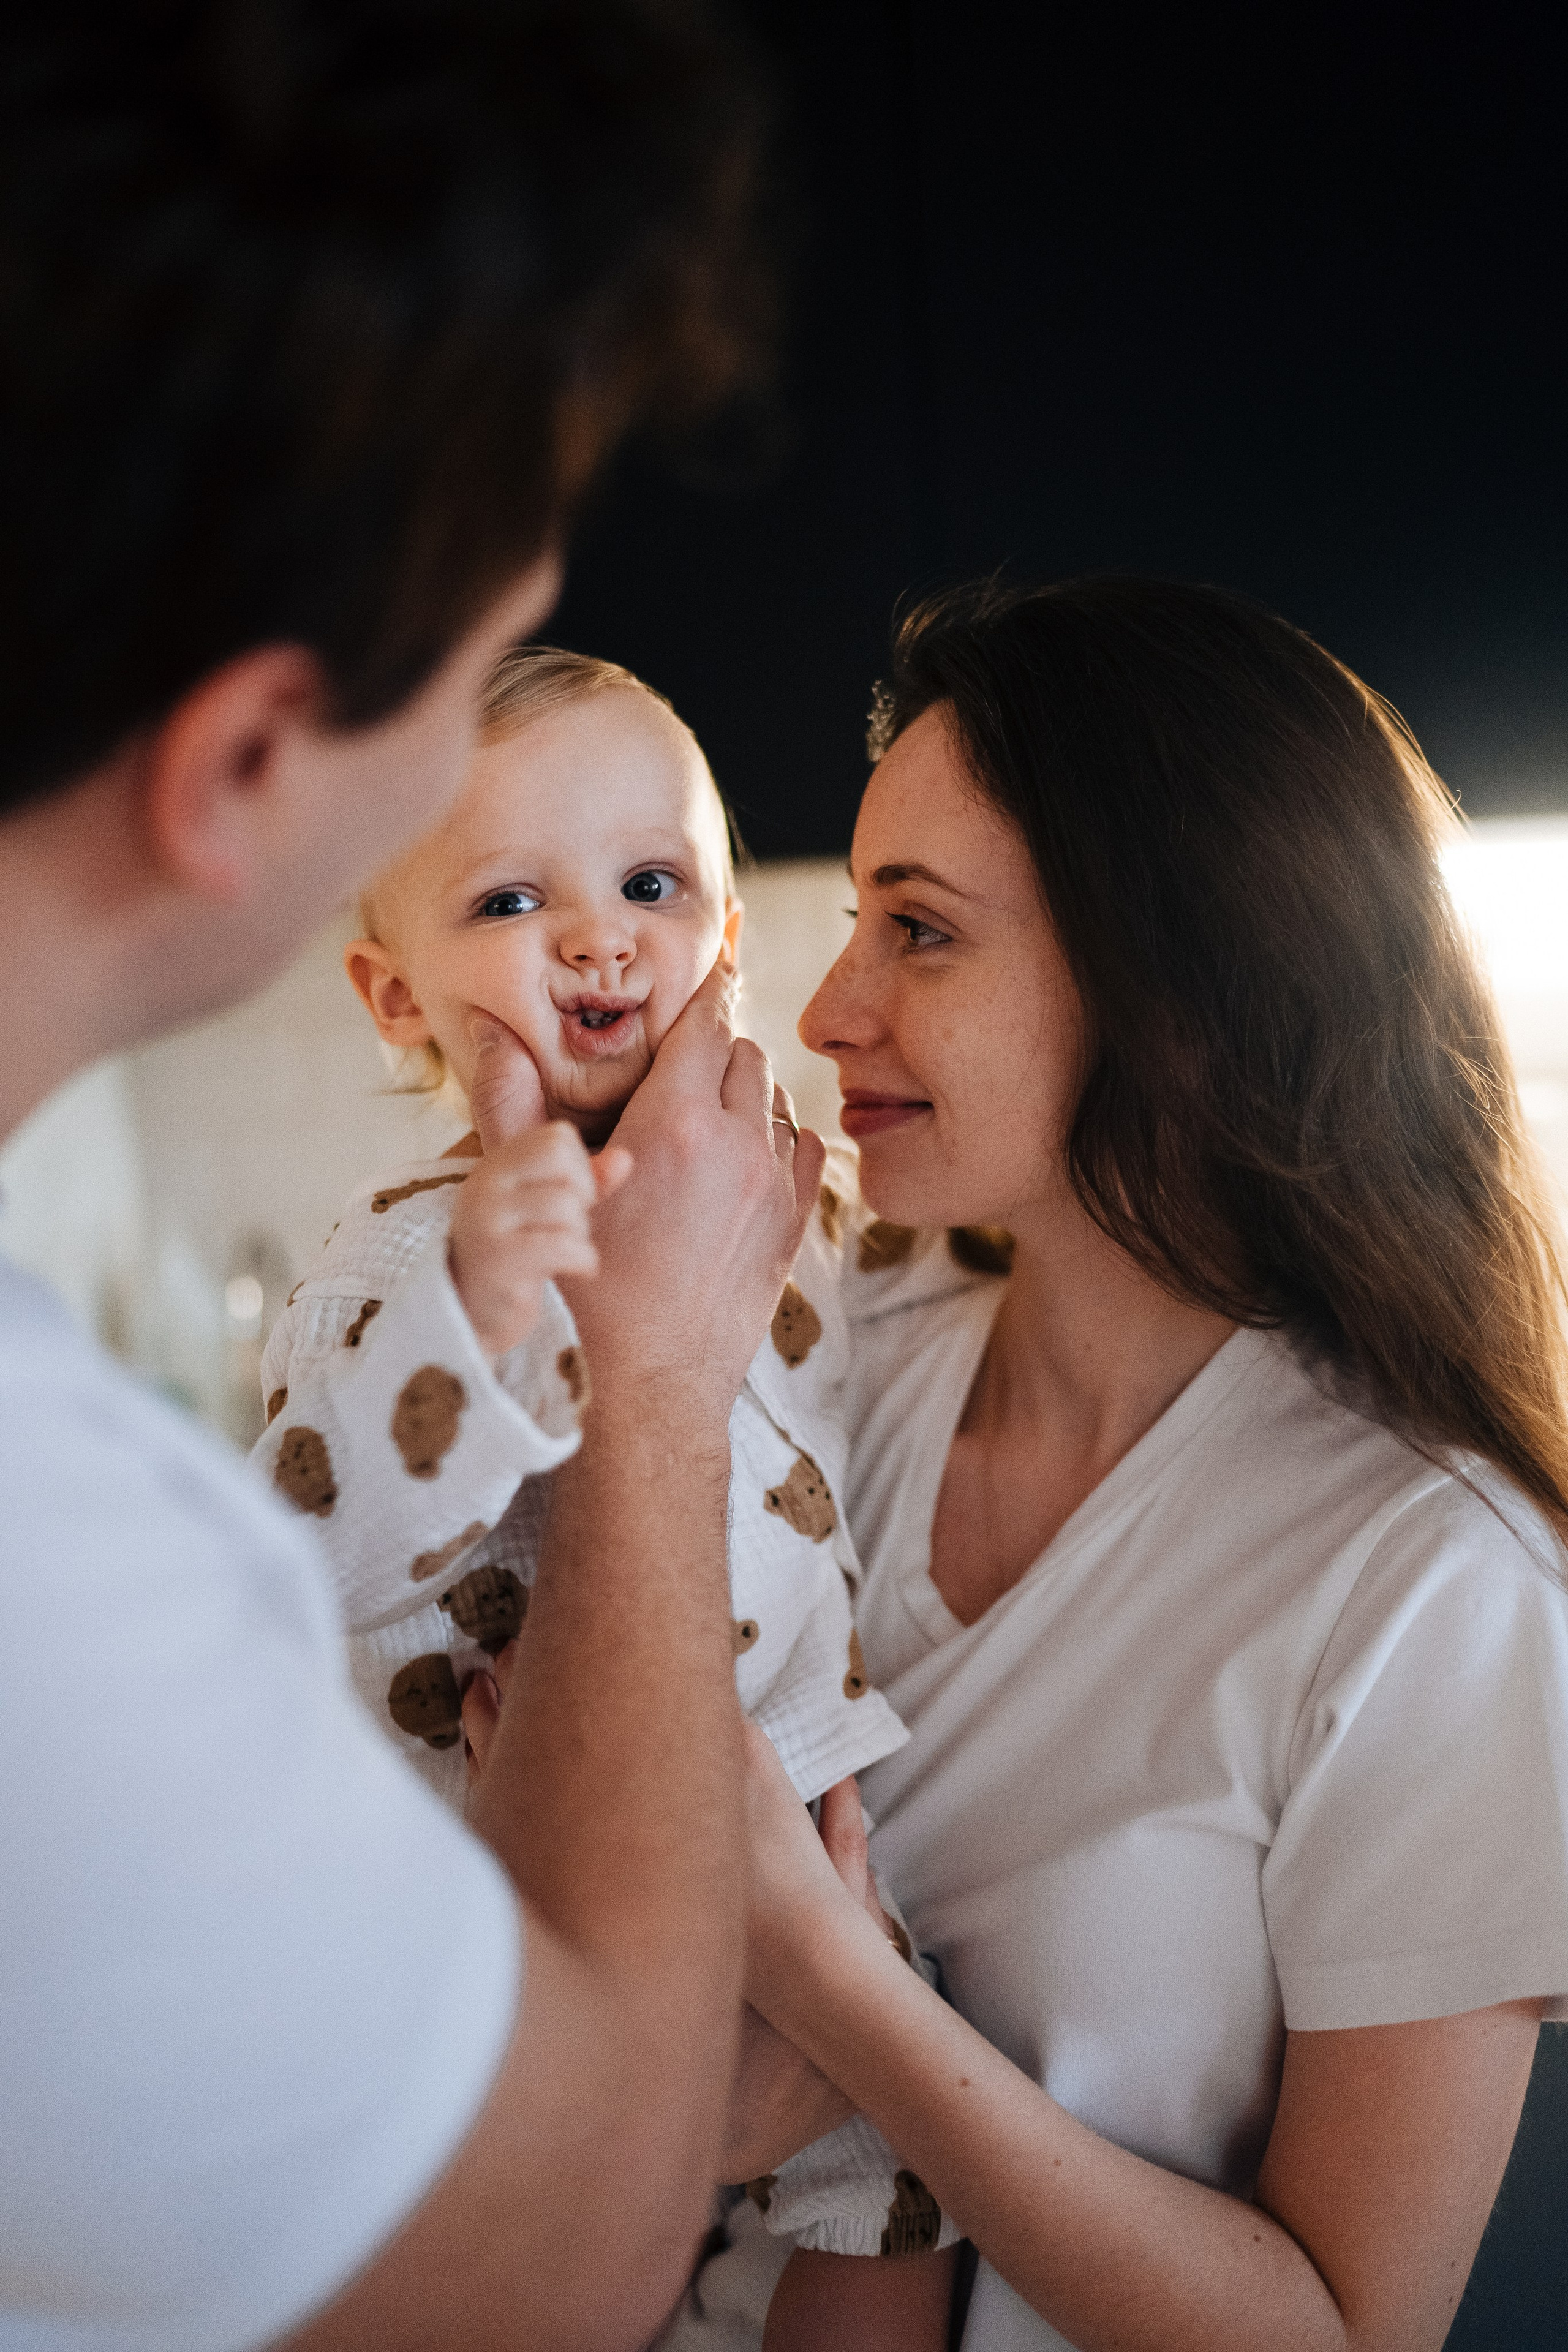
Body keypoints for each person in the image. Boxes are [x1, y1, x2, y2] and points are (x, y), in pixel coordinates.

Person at [0, 7, 822, 2350]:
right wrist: (649, 1380)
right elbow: (543, 2265)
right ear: (253, 762)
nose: (592, 931)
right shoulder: (50, 1572)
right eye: (468, 682)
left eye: (651, 884)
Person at [727, 578, 1568, 2352]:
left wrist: (833, 1994)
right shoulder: (832, 1359)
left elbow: (1343, 2330)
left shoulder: (1436, 1581)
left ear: (1180, 981)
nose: (829, 1010)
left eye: (920, 931)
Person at [256, 637, 938, 2263]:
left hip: (797, 1845)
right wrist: (481, 1308)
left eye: (651, 883)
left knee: (895, 2194)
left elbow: (924, 1313)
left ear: (726, 935)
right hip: (514, 1905)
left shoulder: (794, 1195)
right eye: (509, 901)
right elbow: (300, 1563)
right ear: (396, 996)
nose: (598, 937)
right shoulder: (398, 1263)